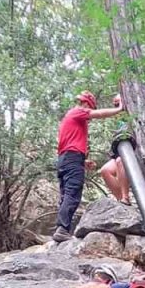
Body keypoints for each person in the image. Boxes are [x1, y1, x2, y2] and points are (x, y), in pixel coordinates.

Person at [53, 92, 126, 242]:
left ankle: (62, 229)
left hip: (66, 158)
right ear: (86, 104)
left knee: (66, 194)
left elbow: (67, 146)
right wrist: (119, 109)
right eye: (90, 109)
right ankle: (62, 229)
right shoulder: (78, 112)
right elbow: (99, 114)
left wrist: (83, 161)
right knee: (72, 193)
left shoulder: (68, 118)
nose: (89, 119)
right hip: (71, 158)